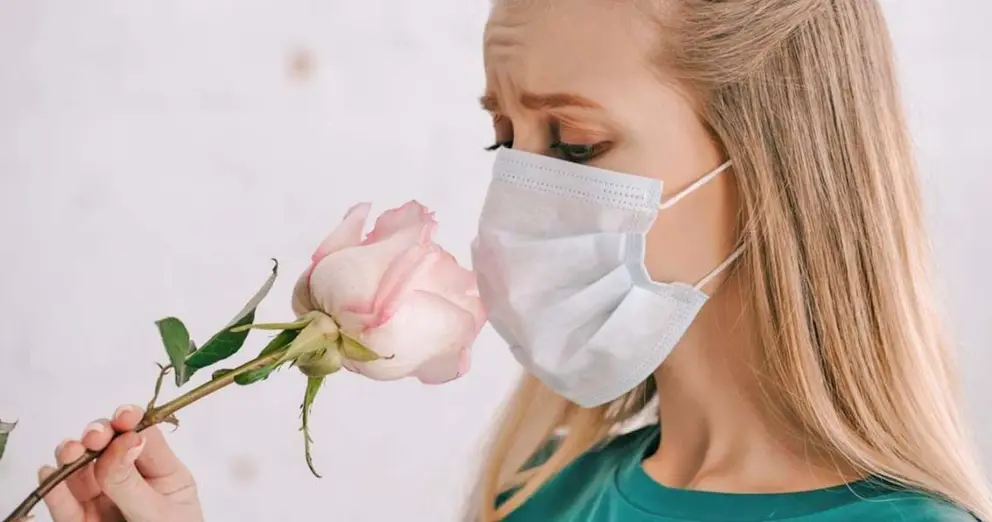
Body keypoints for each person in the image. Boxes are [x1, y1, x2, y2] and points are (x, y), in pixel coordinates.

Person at [33, 1, 992, 521]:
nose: (519, 198)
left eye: (574, 145)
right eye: (504, 140)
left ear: (774, 161)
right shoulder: (539, 491)